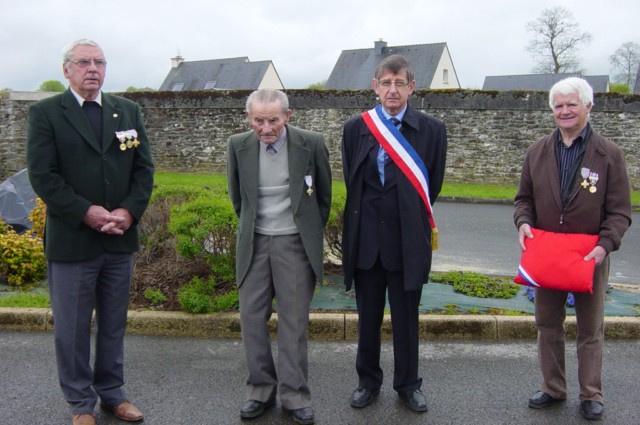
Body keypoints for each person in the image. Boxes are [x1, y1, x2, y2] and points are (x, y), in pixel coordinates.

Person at [26, 39, 154, 425]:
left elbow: (143, 168)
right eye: (84, 62)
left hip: (119, 238)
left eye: (99, 62)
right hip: (73, 240)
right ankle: (80, 403)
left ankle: (112, 394)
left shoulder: (126, 110)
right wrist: (86, 212)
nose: (93, 69)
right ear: (66, 69)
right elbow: (43, 175)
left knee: (114, 324)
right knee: (72, 329)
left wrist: (129, 212)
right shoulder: (47, 113)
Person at [514, 77, 632, 421]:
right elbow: (523, 199)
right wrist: (523, 222)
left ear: (588, 106)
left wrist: (605, 245)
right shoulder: (536, 151)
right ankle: (553, 387)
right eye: (559, 105)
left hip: (589, 255)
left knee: (590, 328)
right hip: (547, 254)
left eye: (571, 104)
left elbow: (620, 212)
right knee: (547, 323)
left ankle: (590, 394)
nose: (564, 111)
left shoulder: (608, 154)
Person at [341, 54, 447, 413]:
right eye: (386, 83)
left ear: (411, 87)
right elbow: (353, 181)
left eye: (400, 83)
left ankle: (408, 385)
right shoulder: (356, 128)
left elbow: (431, 186)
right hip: (367, 243)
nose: (392, 90)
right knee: (367, 320)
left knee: (406, 321)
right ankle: (367, 382)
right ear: (375, 86)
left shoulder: (432, 130)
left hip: (407, 243)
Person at [226, 88, 331, 425]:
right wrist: (256, 229)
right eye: (258, 120)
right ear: (248, 118)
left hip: (294, 245)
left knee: (294, 323)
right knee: (251, 319)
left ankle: (295, 395)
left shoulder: (311, 143)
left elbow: (323, 199)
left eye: (273, 120)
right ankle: (259, 390)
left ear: (288, 116)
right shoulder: (237, 145)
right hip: (254, 244)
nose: (266, 128)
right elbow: (238, 200)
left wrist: (303, 232)